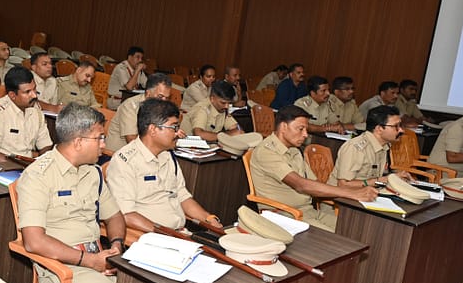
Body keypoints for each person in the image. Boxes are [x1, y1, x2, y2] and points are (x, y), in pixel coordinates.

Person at [17, 103, 126, 283]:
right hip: (63, 271)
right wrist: (90, 261)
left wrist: (116, 245)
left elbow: (114, 217)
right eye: (99, 138)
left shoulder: (92, 172)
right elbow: (33, 241)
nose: (104, 145)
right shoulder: (39, 176)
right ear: (78, 142)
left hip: (99, 259)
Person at [250, 105, 378, 230]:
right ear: (284, 126)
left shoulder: (294, 150)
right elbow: (301, 185)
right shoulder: (266, 152)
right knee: (339, 238)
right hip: (285, 215)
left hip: (308, 211)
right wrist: (352, 193)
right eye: (300, 129)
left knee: (354, 229)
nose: (305, 134)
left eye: (306, 129)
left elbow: (314, 182)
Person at [107, 98, 222, 231]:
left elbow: (182, 196)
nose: (178, 133)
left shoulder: (167, 155)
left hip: (178, 232)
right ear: (153, 129)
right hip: (152, 235)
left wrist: (209, 218)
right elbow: (126, 214)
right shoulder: (125, 161)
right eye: (174, 127)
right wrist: (166, 234)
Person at [0, 67, 52, 163]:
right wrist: (22, 166)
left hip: (29, 163)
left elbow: (45, 145)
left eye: (34, 89)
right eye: (27, 92)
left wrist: (43, 163)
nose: (34, 95)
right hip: (6, 165)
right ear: (12, 95)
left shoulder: (35, 110)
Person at [329, 105, 409, 187]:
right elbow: (343, 185)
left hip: (368, 191)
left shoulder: (384, 146)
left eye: (400, 125)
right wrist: (384, 180)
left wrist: (395, 177)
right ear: (379, 129)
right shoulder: (355, 148)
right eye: (396, 126)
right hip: (343, 193)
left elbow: (376, 177)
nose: (401, 130)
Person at [105, 73, 171, 153]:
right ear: (148, 94)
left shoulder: (161, 108)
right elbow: (131, 139)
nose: (164, 102)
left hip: (143, 150)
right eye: (160, 97)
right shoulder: (130, 106)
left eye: (167, 98)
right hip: (119, 153)